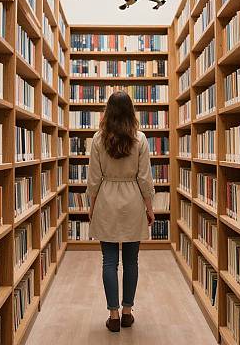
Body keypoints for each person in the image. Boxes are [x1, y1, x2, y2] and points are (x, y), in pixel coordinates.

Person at [86, 91, 155, 333]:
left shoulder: (97, 139)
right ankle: (127, 312)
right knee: (131, 261)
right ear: (131, 112)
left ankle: (113, 315)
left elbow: (93, 179)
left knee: (109, 261)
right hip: (133, 201)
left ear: (108, 112)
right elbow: (145, 179)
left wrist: (92, 207)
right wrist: (150, 208)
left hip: (106, 200)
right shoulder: (141, 139)